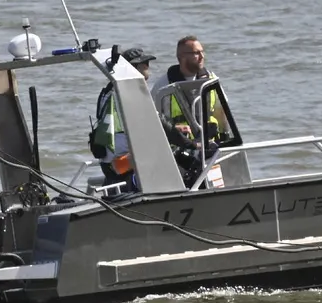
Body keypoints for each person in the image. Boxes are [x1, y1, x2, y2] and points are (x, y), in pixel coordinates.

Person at [90, 46, 198, 188]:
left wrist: (174, 129)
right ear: (133, 68)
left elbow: (139, 123)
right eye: (145, 64)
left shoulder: (108, 91)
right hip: (126, 162)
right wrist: (192, 144)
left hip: (109, 164)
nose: (148, 66)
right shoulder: (130, 90)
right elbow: (160, 124)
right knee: (182, 158)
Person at [150, 34, 231, 151]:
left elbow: (221, 111)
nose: (202, 56)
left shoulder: (211, 79)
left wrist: (225, 138)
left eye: (202, 52)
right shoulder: (163, 86)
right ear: (182, 57)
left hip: (211, 145)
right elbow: (153, 119)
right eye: (196, 53)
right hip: (180, 149)